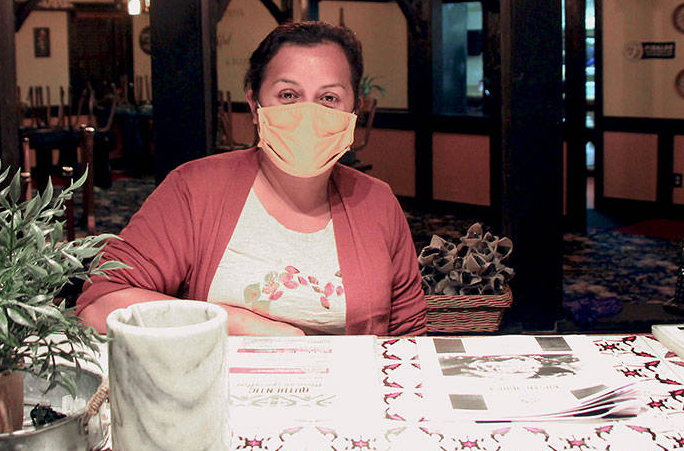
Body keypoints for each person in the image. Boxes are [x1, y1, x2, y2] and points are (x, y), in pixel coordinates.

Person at [76, 21, 427, 336]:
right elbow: (99, 305)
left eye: (328, 98)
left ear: (354, 111)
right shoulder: (195, 190)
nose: (308, 113)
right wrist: (237, 323)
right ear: (255, 106)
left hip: (349, 403)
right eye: (288, 95)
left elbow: (408, 337)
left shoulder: (377, 203)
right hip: (220, 402)